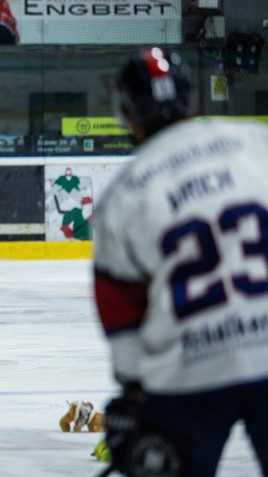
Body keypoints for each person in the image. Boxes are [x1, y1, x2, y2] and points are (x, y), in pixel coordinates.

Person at [94, 47, 268, 476]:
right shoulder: (255, 142)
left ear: (127, 114)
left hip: (189, 370)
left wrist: (134, 388)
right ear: (191, 98)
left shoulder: (122, 195)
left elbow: (120, 312)